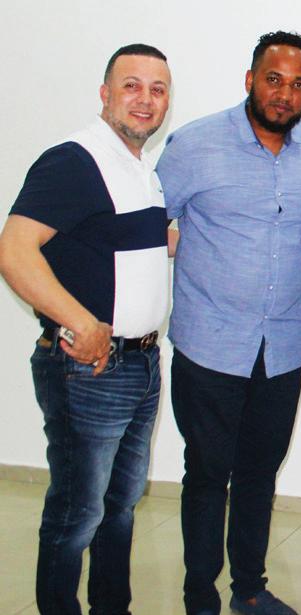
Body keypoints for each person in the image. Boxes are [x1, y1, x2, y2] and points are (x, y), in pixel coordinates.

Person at [156, 31, 301, 615]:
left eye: (298, 84)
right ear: (251, 80)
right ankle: (199, 594)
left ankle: (250, 590)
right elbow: (149, 224)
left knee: (260, 473)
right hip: (209, 344)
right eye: (274, 80)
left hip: (281, 346)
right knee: (208, 473)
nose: (284, 94)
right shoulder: (195, 144)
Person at [0, 43, 171, 615]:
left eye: (157, 89)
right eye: (131, 86)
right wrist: (79, 322)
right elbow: (14, 250)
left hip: (140, 365)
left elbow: (129, 245)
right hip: (88, 368)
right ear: (105, 93)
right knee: (78, 514)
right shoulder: (74, 160)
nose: (145, 99)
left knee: (119, 506)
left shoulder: (140, 168)